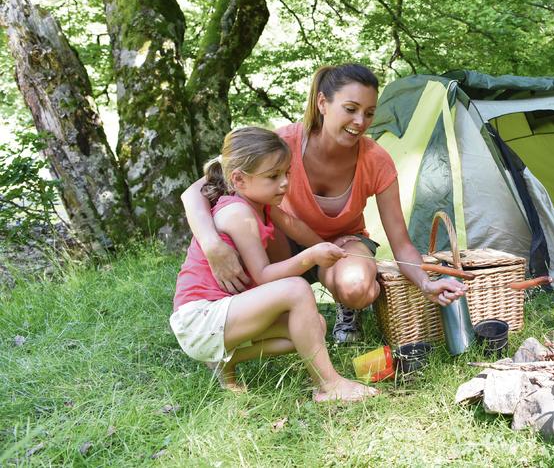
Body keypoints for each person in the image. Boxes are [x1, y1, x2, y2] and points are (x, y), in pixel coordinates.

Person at [181, 64, 466, 343]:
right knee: (250, 227)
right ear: (323, 103)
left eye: (369, 113)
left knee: (357, 288)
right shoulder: (283, 143)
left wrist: (426, 283)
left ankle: (350, 305)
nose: (360, 122)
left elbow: (402, 244)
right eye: (351, 109)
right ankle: (265, 317)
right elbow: (196, 191)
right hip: (283, 241)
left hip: (342, 244)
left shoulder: (376, 161)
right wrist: (212, 245)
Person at [170, 126, 377, 401]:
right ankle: (329, 385)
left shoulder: (258, 203)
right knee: (296, 289)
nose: (284, 183)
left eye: (286, 173)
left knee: (312, 326)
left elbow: (293, 225)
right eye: (273, 176)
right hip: (200, 320)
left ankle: (226, 361)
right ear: (239, 180)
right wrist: (310, 257)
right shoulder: (238, 213)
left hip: (221, 316)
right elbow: (265, 275)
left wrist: (325, 245)